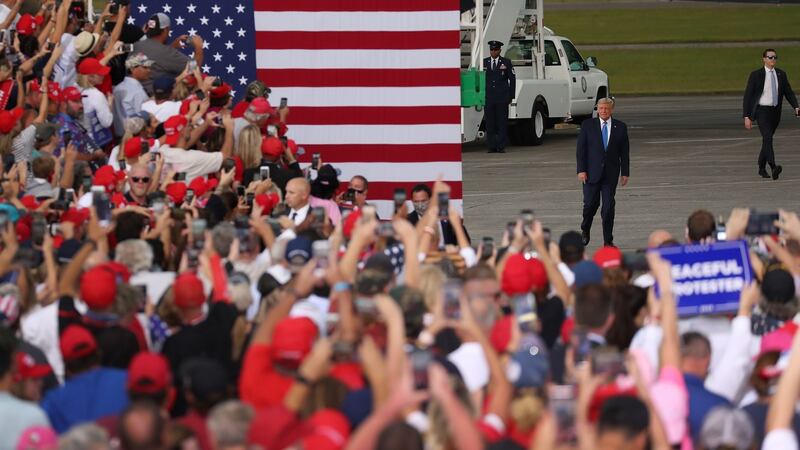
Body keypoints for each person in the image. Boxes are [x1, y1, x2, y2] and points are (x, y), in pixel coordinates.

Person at [576, 97, 630, 247]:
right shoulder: (588, 125)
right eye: (601, 108)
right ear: (597, 109)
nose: (603, 111)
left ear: (611, 109)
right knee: (590, 206)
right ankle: (585, 228)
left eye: (606, 108)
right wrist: (581, 170)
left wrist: (625, 172)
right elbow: (581, 150)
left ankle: (608, 241)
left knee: (607, 209)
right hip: (591, 174)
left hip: (610, 175)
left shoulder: (620, 127)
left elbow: (624, 152)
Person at [743, 48, 800, 180]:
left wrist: (796, 107)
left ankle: (761, 167)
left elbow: (788, 92)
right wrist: (747, 116)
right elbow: (748, 96)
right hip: (762, 111)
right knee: (768, 138)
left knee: (766, 140)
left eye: (775, 57)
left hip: (775, 112)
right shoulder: (756, 75)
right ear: (764, 59)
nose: (773, 59)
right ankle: (773, 166)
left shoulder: (781, 74)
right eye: (770, 57)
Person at [133, 13, 204, 95]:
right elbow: (194, 69)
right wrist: (198, 47)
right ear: (165, 30)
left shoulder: (136, 45)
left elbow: (156, 55)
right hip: (156, 98)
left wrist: (172, 47)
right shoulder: (167, 53)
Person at [483, 40, 515, 154]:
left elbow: (512, 79)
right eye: (491, 49)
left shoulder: (506, 62)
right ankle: (491, 146)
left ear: (500, 50)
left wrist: (511, 96)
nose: (493, 52)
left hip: (502, 97)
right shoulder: (484, 63)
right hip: (489, 98)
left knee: (501, 123)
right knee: (490, 123)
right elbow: (481, 80)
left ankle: (501, 146)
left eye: (495, 49)